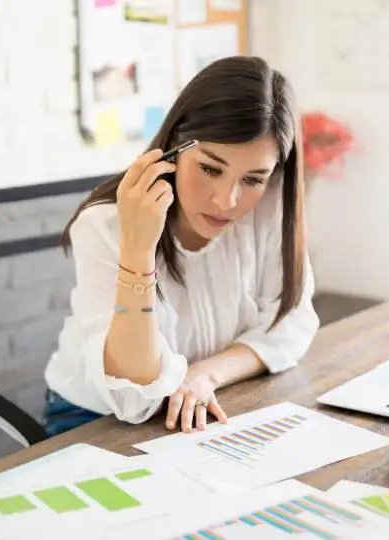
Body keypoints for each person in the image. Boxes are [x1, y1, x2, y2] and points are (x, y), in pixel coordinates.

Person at [42, 56, 320, 436]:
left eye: (253, 179)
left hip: (206, 401)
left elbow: (292, 322)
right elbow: (134, 396)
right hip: (96, 420)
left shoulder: (271, 205)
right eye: (210, 168)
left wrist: (206, 374)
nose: (226, 200)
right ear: (173, 146)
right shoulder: (104, 225)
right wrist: (138, 251)